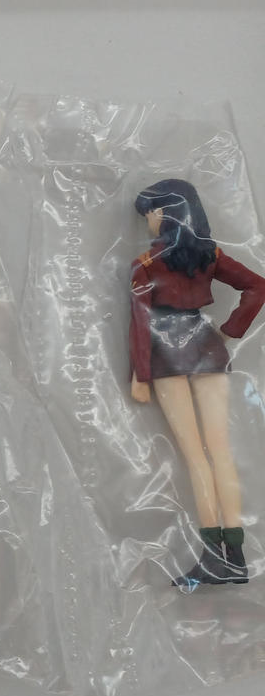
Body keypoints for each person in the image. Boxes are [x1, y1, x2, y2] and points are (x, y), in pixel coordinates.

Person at [128, 179, 265, 590]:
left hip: (167, 357)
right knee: (220, 453)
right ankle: (235, 556)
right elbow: (257, 285)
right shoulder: (209, 255)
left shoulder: (145, 265)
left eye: (152, 213)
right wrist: (229, 330)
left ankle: (212, 556)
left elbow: (141, 325)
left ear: (166, 214)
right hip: (207, 348)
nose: (149, 221)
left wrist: (140, 374)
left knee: (196, 457)